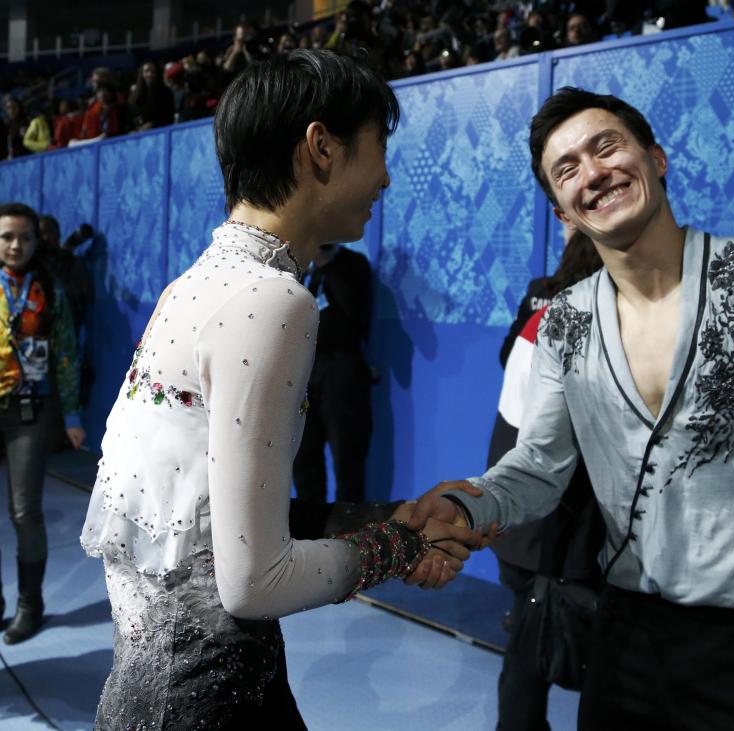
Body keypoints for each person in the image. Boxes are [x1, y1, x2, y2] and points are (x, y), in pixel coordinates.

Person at [411, 87, 734, 730]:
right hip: (625, 645)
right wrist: (465, 505)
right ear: (563, 213)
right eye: (566, 170)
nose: (592, 173)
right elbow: (539, 467)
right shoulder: (564, 323)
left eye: (606, 147)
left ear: (656, 158)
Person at [80, 50, 481, 730]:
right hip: (208, 702)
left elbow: (213, 527)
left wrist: (389, 515)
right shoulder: (273, 300)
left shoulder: (194, 285)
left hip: (168, 691)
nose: (385, 177)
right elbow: (253, 579)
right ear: (321, 147)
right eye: (379, 149)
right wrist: (404, 549)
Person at [492, 230, 605, 731]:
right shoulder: (585, 326)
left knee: (524, 653)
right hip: (557, 531)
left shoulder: (540, 318)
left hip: (523, 527)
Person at [0, 202, 85, 644]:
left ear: (37, 241)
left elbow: (67, 353)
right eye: (7, 237)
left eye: (24, 237)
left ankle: (29, 605)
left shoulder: (48, 290)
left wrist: (72, 415)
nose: (15, 245)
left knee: (24, 511)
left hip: (29, 414)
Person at [292, 243, 374, 504]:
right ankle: (309, 526)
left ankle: (348, 531)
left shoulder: (352, 264)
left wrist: (328, 263)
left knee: (347, 455)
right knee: (304, 455)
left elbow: (355, 311)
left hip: (342, 370)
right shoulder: (301, 267)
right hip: (304, 370)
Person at [128, 61, 175, 131]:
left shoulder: (165, 92)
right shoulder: (135, 94)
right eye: (147, 71)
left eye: (153, 71)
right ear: (142, 74)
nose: (150, 74)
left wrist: (153, 124)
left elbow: (169, 116)